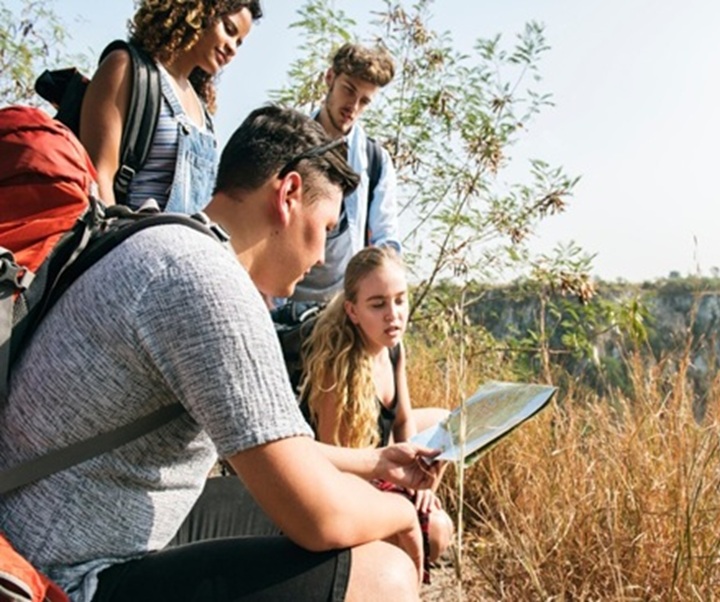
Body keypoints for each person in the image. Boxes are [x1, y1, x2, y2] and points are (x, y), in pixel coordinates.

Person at [0, 105, 439, 602]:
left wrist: (377, 462)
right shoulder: (209, 284)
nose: (321, 257)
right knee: (382, 572)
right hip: (64, 573)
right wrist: (404, 514)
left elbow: (275, 444)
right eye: (326, 226)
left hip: (53, 525)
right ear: (289, 194)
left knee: (354, 510)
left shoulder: (163, 237)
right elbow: (320, 517)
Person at [301, 246, 453, 568]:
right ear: (353, 311)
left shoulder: (393, 349)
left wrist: (420, 479)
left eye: (400, 299)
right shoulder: (338, 367)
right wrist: (395, 491)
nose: (393, 314)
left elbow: (403, 422)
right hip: (347, 476)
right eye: (378, 304)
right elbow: (331, 466)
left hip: (381, 461)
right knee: (437, 530)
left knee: (448, 423)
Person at [80, 0, 262, 212]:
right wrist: (114, 240)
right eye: (229, 30)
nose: (232, 49)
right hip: (127, 239)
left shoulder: (204, 113)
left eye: (239, 42)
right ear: (199, 13)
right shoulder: (127, 68)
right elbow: (98, 174)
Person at [289, 42, 401, 303]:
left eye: (364, 101)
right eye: (348, 90)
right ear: (330, 78)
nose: (353, 106)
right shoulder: (289, 142)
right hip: (284, 302)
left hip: (343, 308)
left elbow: (387, 239)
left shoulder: (375, 160)